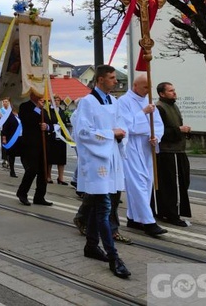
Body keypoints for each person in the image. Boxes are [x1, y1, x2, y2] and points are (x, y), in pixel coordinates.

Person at [72, 64, 131, 279]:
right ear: (100, 80)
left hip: (111, 158)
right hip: (97, 162)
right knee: (104, 208)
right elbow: (83, 132)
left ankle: (91, 246)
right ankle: (114, 257)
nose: (116, 81)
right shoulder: (88, 102)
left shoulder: (113, 101)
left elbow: (120, 125)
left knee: (102, 206)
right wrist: (111, 133)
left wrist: (121, 133)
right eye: (112, 78)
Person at [119, 75, 167, 237]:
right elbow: (126, 126)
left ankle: (133, 218)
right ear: (135, 85)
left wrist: (156, 137)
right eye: (145, 87)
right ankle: (148, 222)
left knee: (147, 183)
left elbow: (158, 124)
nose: (148, 91)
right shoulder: (124, 101)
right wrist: (142, 113)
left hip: (146, 146)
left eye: (149, 87)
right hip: (132, 146)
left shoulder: (149, 100)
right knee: (137, 183)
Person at [153, 82, 192, 227]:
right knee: (172, 185)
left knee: (182, 182)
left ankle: (169, 211)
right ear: (162, 94)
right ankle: (172, 214)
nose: (174, 93)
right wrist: (179, 130)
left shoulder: (173, 106)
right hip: (168, 152)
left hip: (178, 150)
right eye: (170, 91)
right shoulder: (159, 108)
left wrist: (184, 130)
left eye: (174, 90)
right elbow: (161, 132)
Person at [16, 90, 52, 206]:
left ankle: (39, 196)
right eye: (38, 93)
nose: (40, 95)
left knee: (43, 171)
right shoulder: (25, 106)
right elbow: (27, 120)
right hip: (31, 144)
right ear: (32, 94)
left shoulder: (44, 109)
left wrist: (46, 127)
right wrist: (37, 108)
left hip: (43, 144)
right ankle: (22, 193)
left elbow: (51, 123)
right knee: (32, 170)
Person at [46, 96, 69, 185]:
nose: (56, 102)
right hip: (52, 137)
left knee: (61, 159)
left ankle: (61, 177)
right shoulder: (49, 111)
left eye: (58, 100)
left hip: (61, 138)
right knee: (50, 158)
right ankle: (48, 176)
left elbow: (65, 122)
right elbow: (48, 122)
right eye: (55, 100)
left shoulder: (62, 111)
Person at [0, 100, 20, 178]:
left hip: (20, 137)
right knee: (12, 155)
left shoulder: (19, 115)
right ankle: (12, 170)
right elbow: (5, 127)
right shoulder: (8, 115)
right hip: (12, 137)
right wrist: (4, 138)